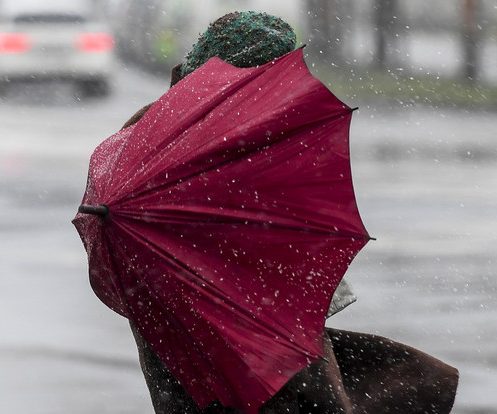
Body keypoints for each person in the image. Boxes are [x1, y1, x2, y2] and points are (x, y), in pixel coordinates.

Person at [120, 11, 458, 414]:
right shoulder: (256, 139)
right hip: (259, 346)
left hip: (179, 341)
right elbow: (302, 268)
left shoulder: (149, 129)